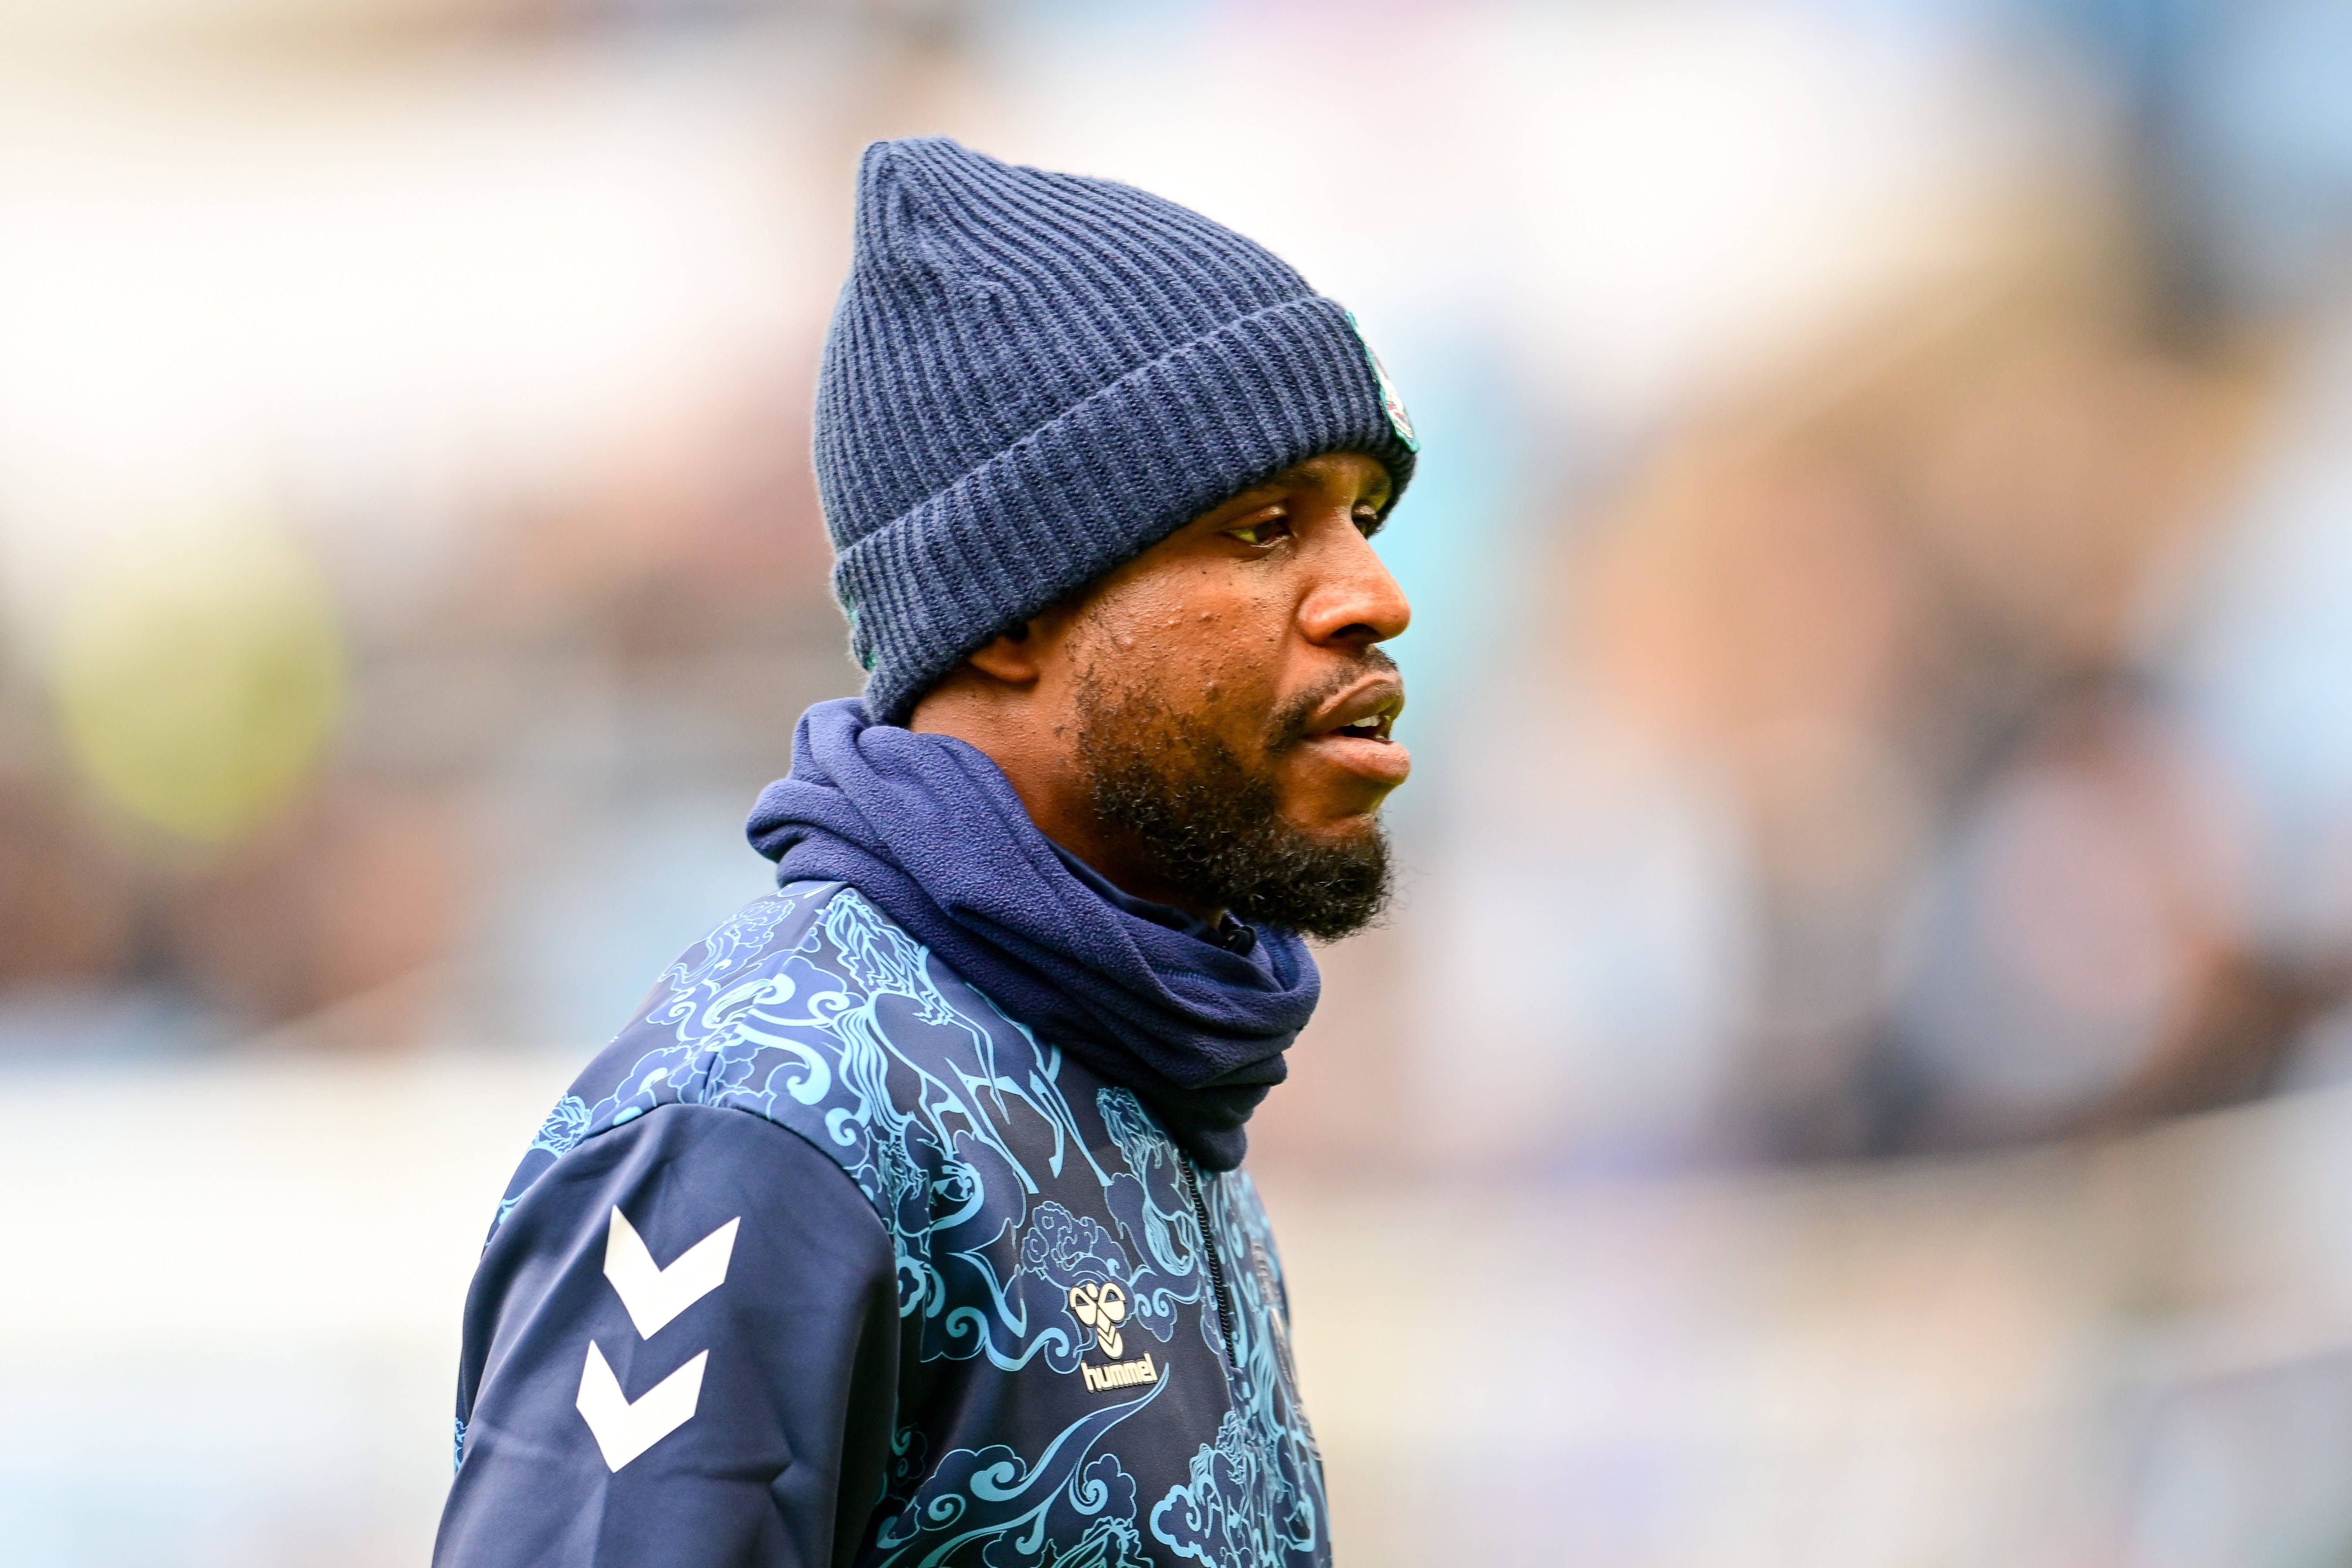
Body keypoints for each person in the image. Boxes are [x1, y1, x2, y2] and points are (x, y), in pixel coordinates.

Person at [433, 136, 1419, 1568]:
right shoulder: (766, 1123)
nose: (1374, 595)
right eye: (1264, 528)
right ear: (1008, 616)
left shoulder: (1148, 1059)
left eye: (1363, 518)